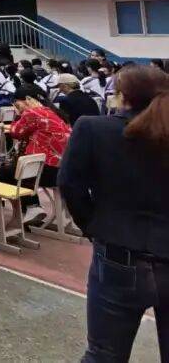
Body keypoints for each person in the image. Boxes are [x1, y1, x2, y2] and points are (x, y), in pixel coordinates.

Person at [59, 64, 169, 361]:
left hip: (119, 253)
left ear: (123, 96)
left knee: (104, 355)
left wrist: (94, 226)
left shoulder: (94, 129)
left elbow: (70, 184)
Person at [0, 88, 71, 223]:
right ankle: (32, 207)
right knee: (21, 169)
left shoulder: (32, 112)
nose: (17, 108)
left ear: (28, 99)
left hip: (46, 170)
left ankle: (29, 208)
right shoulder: (53, 112)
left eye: (17, 105)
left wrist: (18, 115)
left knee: (2, 173)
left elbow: (16, 132)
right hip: (63, 168)